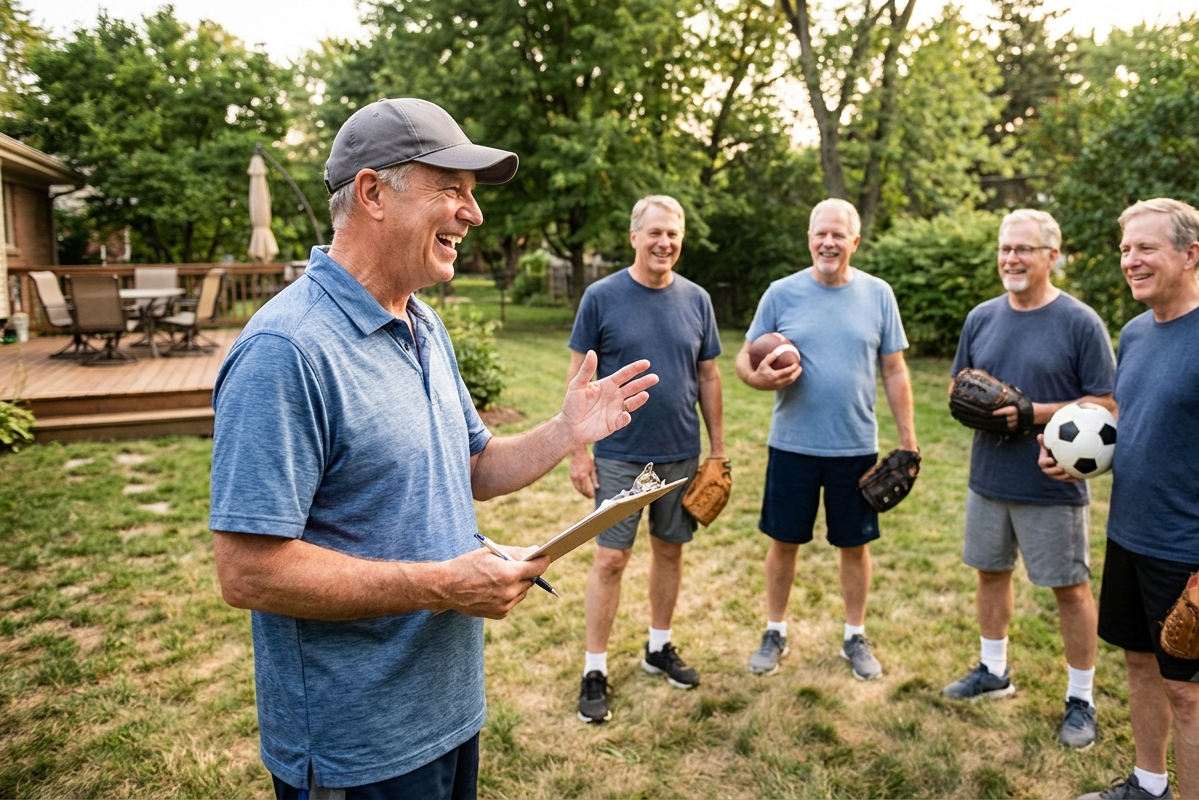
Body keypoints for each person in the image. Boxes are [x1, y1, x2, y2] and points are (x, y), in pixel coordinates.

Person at [209, 98, 658, 800]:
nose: (472, 213)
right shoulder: (285, 351)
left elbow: (474, 466)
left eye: (471, 194)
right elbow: (247, 572)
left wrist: (565, 431)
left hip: (448, 712)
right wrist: (442, 585)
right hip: (357, 748)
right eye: (451, 189)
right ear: (372, 193)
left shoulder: (423, 325)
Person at [1042, 199, 1199, 800]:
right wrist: (1074, 460)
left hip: (1191, 551)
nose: (1131, 260)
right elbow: (1137, 423)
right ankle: (1148, 786)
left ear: (1191, 254)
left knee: (1187, 691)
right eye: (1126, 249)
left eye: (1146, 248)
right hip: (1129, 535)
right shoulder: (1136, 332)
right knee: (1140, 663)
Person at [943, 210, 1117, 750]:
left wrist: (1031, 412)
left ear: (1051, 256)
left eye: (1023, 249)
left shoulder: (1080, 322)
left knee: (1070, 590)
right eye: (1005, 249)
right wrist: (969, 403)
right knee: (990, 574)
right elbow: (957, 385)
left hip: (1052, 482)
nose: (1011, 259)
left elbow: (1108, 402)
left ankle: (1081, 698)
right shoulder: (981, 317)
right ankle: (993, 671)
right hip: (988, 477)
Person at [736, 198, 918, 681]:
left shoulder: (878, 294)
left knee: (854, 546)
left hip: (855, 447)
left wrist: (908, 440)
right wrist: (756, 378)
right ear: (809, 238)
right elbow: (743, 357)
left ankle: (855, 635)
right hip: (791, 445)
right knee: (783, 542)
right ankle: (774, 630)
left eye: (839, 234)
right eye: (821, 233)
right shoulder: (781, 293)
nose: (828, 242)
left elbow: (895, 370)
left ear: (854, 241)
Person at [566, 195, 724, 723]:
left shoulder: (698, 299)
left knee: (670, 552)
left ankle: (659, 647)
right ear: (634, 236)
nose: (664, 242)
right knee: (611, 559)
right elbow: (578, 381)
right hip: (618, 453)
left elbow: (708, 376)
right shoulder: (601, 296)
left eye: (673, 234)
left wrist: (718, 450)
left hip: (681, 452)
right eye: (655, 232)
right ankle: (594, 668)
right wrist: (578, 454)